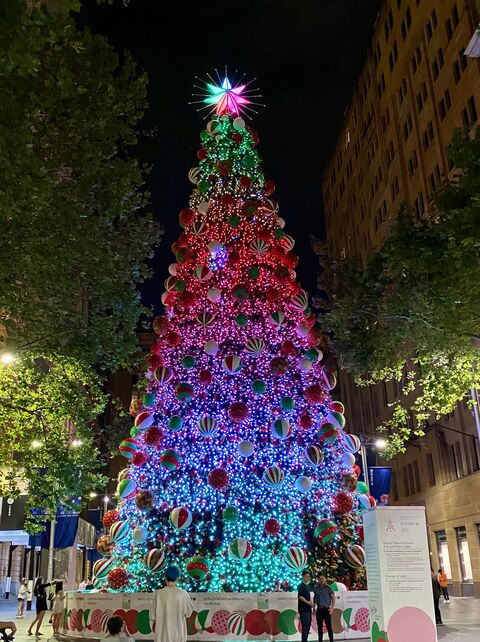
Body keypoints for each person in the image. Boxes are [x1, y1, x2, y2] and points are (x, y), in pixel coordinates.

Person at [151, 565, 193, 642]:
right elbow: (189, 613)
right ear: (177, 578)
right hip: (178, 634)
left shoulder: (158, 594)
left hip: (162, 635)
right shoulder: (183, 594)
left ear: (165, 578)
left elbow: (152, 616)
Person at [313, 574, 335, 642]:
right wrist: (314, 607)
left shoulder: (328, 588)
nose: (322, 580)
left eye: (323, 578)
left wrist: (332, 608)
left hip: (327, 609)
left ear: (325, 579)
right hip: (319, 609)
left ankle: (331, 640)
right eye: (320, 579)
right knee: (319, 626)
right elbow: (315, 598)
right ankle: (320, 640)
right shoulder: (316, 588)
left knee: (329, 626)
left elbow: (333, 598)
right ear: (318, 580)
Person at [297, 570, 314, 642]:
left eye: (309, 577)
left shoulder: (308, 586)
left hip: (308, 609)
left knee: (308, 625)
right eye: (306, 577)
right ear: (303, 577)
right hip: (303, 609)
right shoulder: (301, 586)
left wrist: (311, 603)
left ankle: (305, 639)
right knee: (305, 626)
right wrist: (308, 602)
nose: (308, 578)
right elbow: (300, 596)